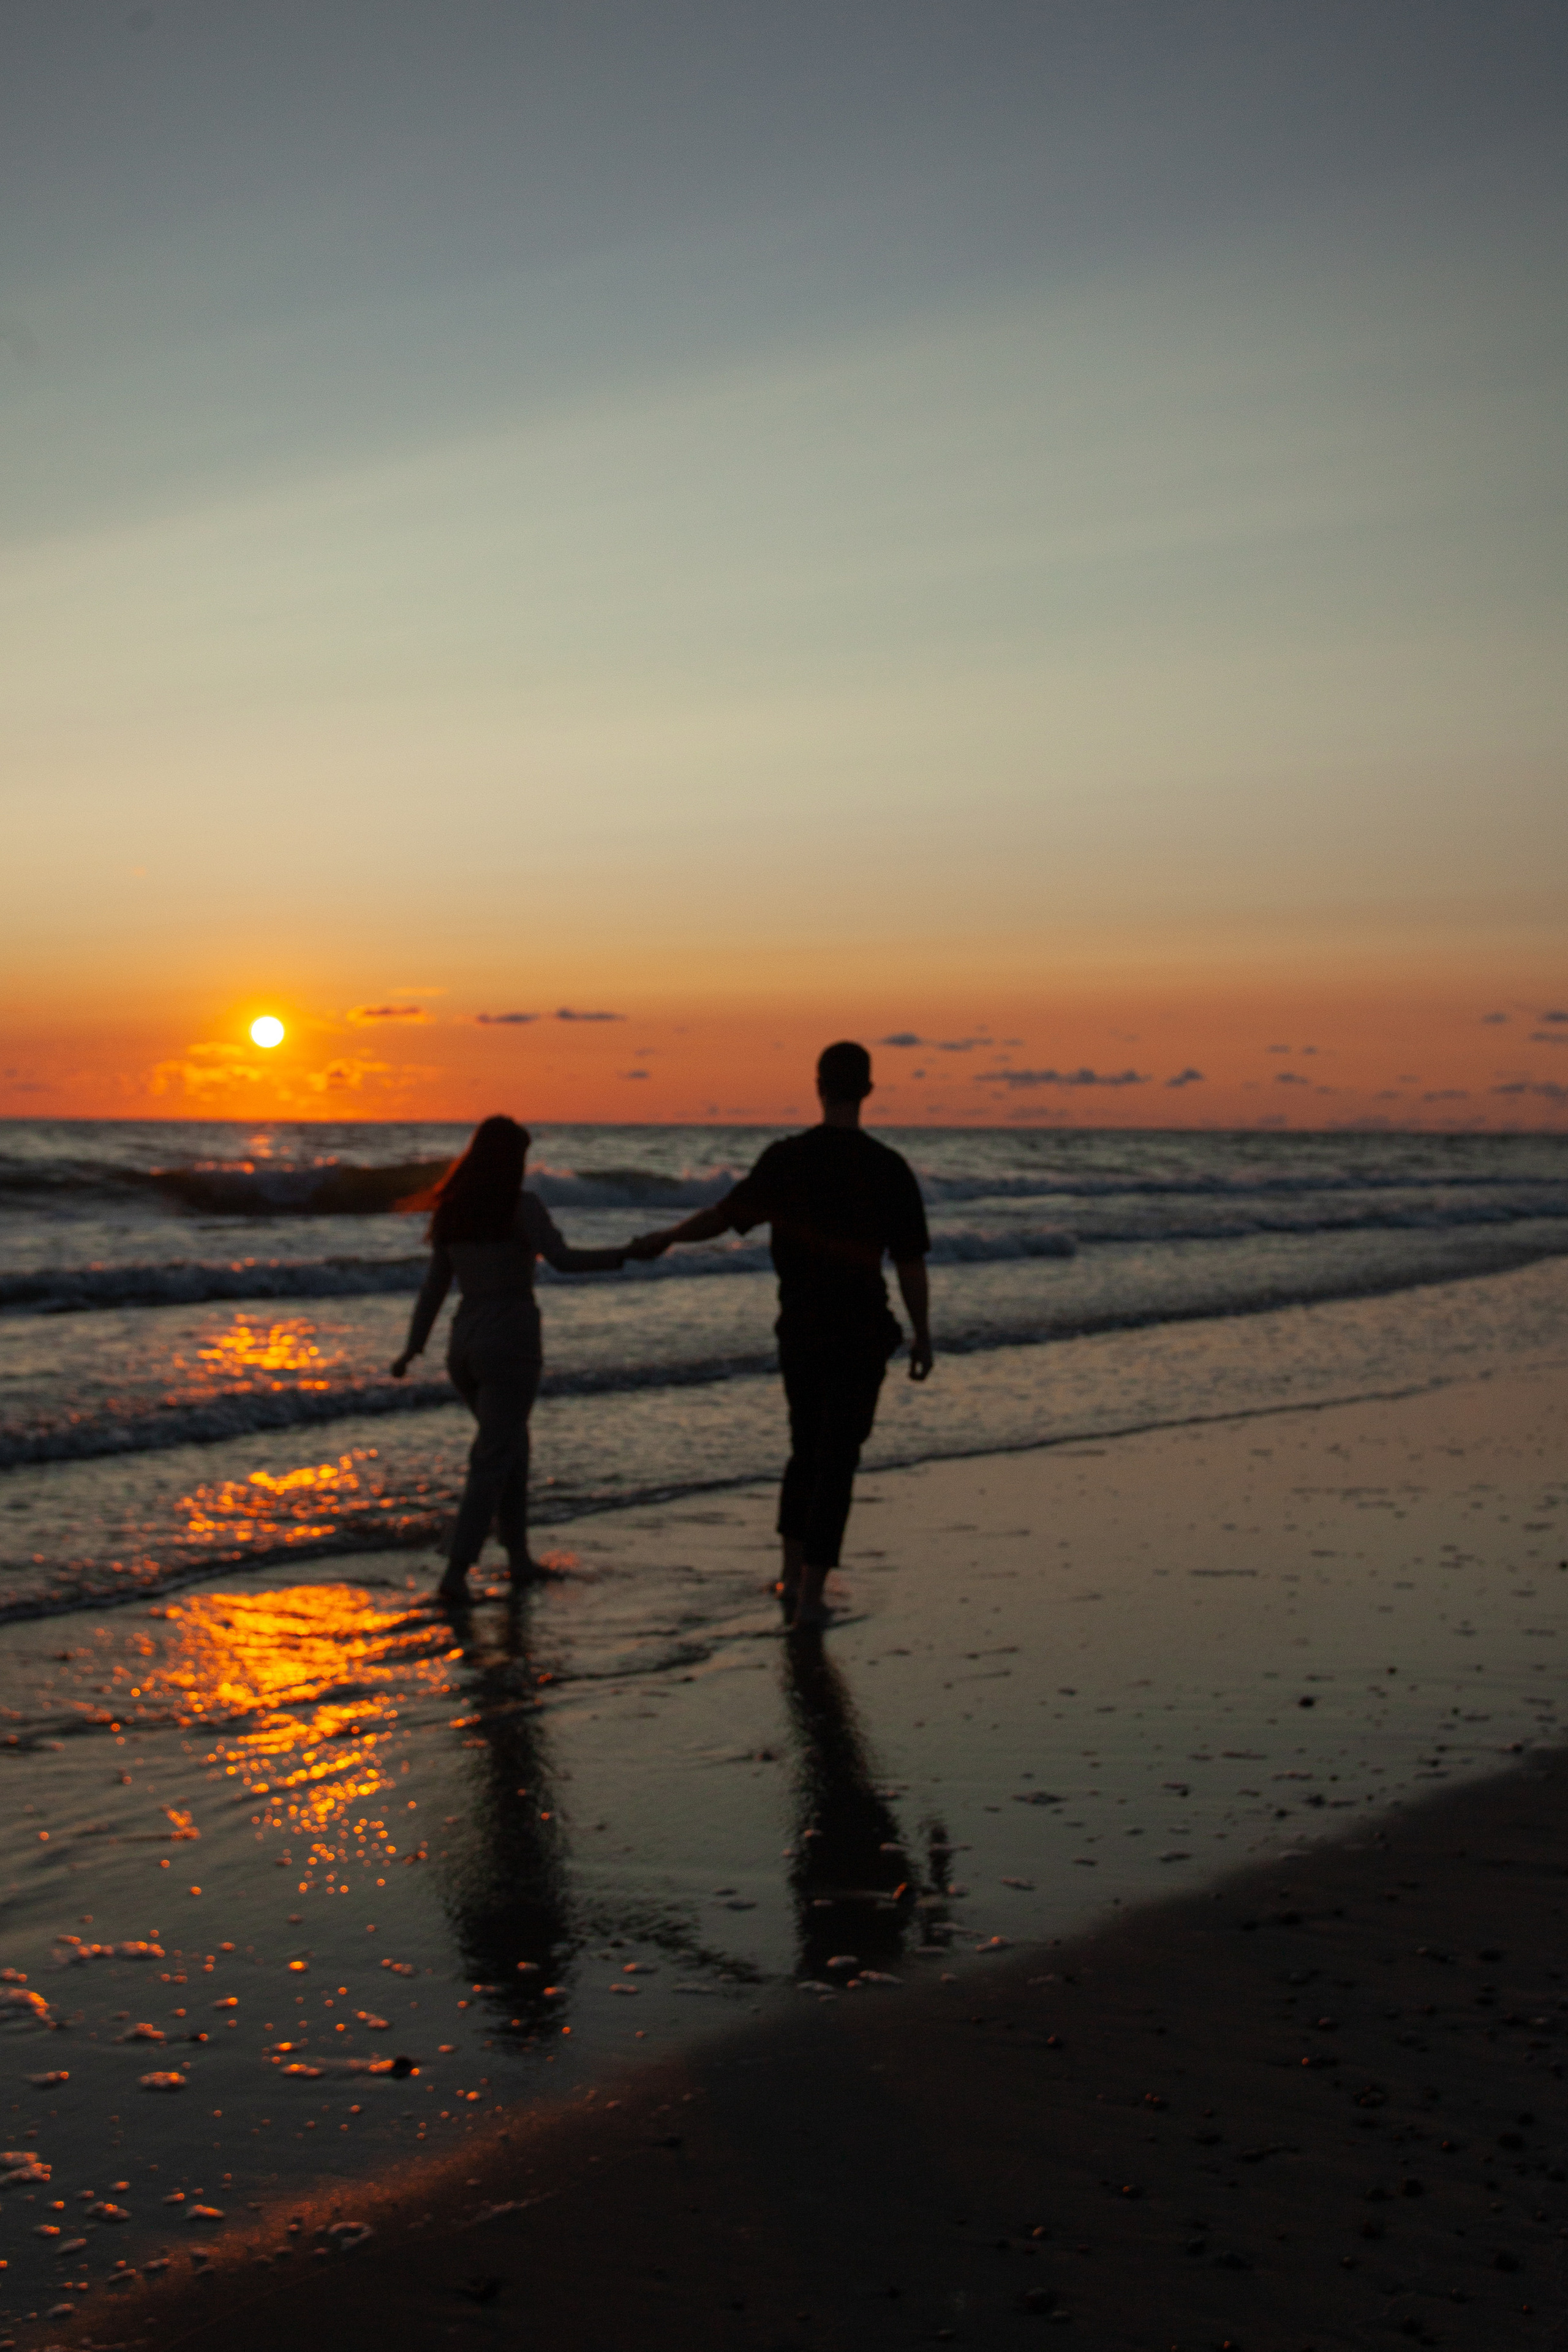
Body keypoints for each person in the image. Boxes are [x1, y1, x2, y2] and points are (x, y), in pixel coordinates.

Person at [630, 1040, 932, 1630]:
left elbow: (723, 1216)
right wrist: (923, 1334)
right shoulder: (888, 1167)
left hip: (801, 1326)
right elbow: (911, 1261)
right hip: (862, 1329)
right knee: (838, 1457)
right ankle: (810, 1597)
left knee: (805, 1451)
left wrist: (666, 1235)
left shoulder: (786, 1158)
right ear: (868, 1090)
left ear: (818, 1085)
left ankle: (790, 1575)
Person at [390, 1114, 628, 1601]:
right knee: (494, 1457)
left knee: (510, 1449)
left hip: (465, 1343)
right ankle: (455, 1575)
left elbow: (435, 1287)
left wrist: (414, 1346)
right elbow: (563, 1260)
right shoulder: (521, 1208)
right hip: (511, 1341)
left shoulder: (454, 1211)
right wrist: (626, 1253)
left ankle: (518, 1559)